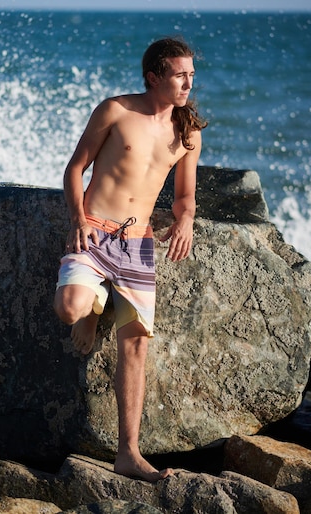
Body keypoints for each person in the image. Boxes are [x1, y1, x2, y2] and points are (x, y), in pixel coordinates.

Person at [54, 37, 207, 482]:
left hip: (138, 242)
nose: (187, 83)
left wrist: (186, 221)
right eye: (180, 75)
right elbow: (74, 168)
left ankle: (128, 453)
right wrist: (77, 217)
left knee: (135, 344)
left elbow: (184, 196)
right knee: (68, 309)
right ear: (153, 77)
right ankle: (95, 304)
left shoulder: (187, 132)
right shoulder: (115, 110)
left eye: (191, 75)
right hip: (97, 228)